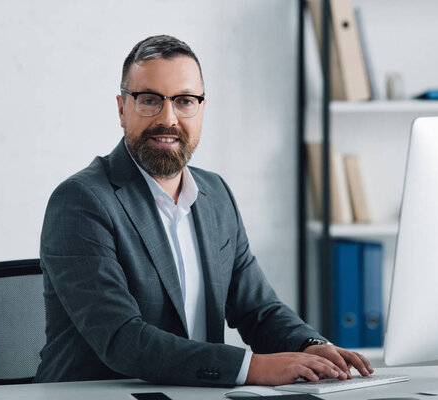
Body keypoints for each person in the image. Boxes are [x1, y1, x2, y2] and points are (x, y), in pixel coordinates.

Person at [34, 34, 373, 387]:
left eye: (184, 101)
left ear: (201, 109)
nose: (169, 119)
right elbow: (122, 339)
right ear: (122, 109)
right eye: (149, 100)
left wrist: (311, 346)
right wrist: (250, 368)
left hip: (196, 394)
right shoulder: (81, 200)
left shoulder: (215, 195)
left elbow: (259, 309)